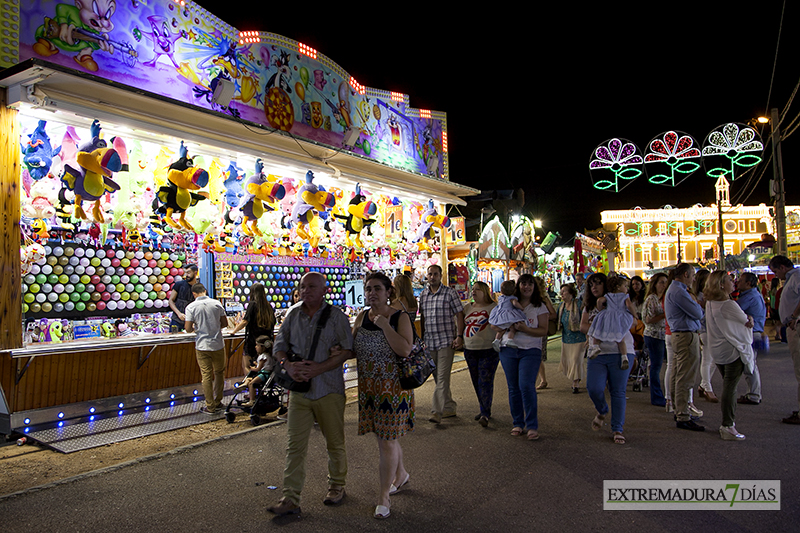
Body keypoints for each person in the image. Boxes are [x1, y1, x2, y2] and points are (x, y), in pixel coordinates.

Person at [267, 272, 354, 516]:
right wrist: (288, 366)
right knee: (294, 445)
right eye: (303, 286)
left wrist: (319, 368)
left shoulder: (336, 317)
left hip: (329, 389)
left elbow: (347, 350)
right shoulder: (293, 315)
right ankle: (290, 496)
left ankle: (337, 485)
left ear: (324, 290)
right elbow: (279, 347)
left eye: (312, 286)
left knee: (334, 442)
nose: (306, 290)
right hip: (299, 392)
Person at [351, 272, 415, 519]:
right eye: (368, 289)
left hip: (393, 391)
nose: (371, 293)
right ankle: (401, 475)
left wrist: (386, 326)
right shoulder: (361, 317)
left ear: (389, 292)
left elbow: (405, 349)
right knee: (384, 438)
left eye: (377, 288)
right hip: (369, 389)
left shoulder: (399, 317)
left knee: (386, 441)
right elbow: (353, 350)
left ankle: (383, 497)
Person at [580, 273, 633, 445]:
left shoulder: (619, 302)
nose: (594, 287)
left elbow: (631, 321)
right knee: (593, 388)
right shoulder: (590, 306)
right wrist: (599, 326)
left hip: (621, 351)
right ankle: (602, 410)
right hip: (598, 353)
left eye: (598, 283)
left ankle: (617, 428)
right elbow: (582, 326)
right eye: (591, 284)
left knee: (618, 391)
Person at [496, 274, 549, 441]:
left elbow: (543, 330)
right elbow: (496, 323)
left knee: (526, 385)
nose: (527, 287)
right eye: (523, 284)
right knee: (513, 388)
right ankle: (517, 422)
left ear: (535, 287)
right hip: (508, 350)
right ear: (518, 286)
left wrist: (526, 329)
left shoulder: (539, 306)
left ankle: (532, 424)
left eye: (530, 284)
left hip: (530, 350)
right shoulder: (508, 303)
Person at [704, 271, 755, 440]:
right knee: (730, 389)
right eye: (729, 280)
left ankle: (727, 424)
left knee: (728, 386)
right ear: (721, 285)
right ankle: (728, 425)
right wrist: (750, 319)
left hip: (718, 350)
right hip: (731, 350)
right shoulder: (728, 304)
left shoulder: (710, 303)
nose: (733, 282)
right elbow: (745, 321)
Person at [419, 264, 465, 424]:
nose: (432, 277)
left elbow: (460, 313)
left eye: (435, 274)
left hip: (446, 340)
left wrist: (459, 336)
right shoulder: (424, 295)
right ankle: (450, 406)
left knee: (443, 377)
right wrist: (422, 338)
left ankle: (436, 411)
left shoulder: (449, 293)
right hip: (430, 342)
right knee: (438, 378)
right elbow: (423, 316)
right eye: (430, 274)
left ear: (441, 275)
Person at [664, 263, 705, 431]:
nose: (694, 278)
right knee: (685, 376)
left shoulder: (675, 290)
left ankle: (679, 409)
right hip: (685, 335)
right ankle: (682, 414)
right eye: (693, 275)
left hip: (680, 334)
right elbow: (697, 313)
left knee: (677, 374)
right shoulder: (679, 291)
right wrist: (697, 305)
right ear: (686, 274)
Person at [184, 283, 228, 414]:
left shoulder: (190, 307)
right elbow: (224, 323)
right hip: (218, 344)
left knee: (206, 375)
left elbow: (187, 328)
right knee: (219, 373)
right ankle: (218, 401)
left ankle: (210, 406)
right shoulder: (216, 304)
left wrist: (197, 328)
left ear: (194, 294)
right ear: (205, 291)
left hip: (202, 345)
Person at [768, 255, 800, 424]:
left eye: (775, 271)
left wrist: (794, 316)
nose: (775, 275)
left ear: (782, 267)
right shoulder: (791, 279)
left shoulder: (796, 277)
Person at [463, 281, 499, 426]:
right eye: (473, 289)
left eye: (477, 289)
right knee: (476, 380)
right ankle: (483, 407)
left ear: (485, 291)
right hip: (469, 349)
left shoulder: (493, 307)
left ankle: (485, 412)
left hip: (488, 349)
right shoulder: (467, 308)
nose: (474, 292)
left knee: (485, 380)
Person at [586, 275, 636, 370]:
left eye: (598, 283)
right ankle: (624, 356)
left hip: (608, 315)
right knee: (620, 339)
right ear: (618, 287)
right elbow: (629, 305)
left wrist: (601, 309)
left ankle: (596, 346)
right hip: (621, 316)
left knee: (598, 332)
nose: (627, 289)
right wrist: (634, 315)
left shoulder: (608, 296)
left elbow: (600, 300)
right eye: (625, 286)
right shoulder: (624, 296)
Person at [230, 283, 277, 377]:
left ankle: (250, 385)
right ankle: (258, 385)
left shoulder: (252, 305)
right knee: (262, 367)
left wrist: (233, 331)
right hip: (266, 342)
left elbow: (244, 321)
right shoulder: (269, 307)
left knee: (247, 366)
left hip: (253, 342)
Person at [736, 272, 766, 406]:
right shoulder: (754, 295)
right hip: (755, 332)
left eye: (741, 281)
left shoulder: (749, 297)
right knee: (750, 363)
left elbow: (736, 311)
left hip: (751, 334)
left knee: (750, 364)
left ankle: (754, 394)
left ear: (748, 284)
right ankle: (753, 393)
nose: (737, 282)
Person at [642, 273, 668, 407]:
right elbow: (648, 320)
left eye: (665, 282)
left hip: (665, 334)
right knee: (656, 366)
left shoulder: (665, 298)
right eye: (661, 282)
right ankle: (656, 396)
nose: (664, 285)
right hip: (654, 335)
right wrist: (665, 315)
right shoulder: (651, 299)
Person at [694, 269, 719, 403]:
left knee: (713, 358)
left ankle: (704, 384)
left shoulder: (708, 294)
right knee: (707, 358)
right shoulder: (699, 296)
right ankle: (707, 387)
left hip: (711, 328)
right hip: (704, 329)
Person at [557, 283, 586, 394]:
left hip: (579, 337)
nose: (562, 294)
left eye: (564, 291)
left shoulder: (579, 304)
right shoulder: (561, 306)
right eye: (561, 292)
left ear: (571, 293)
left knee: (576, 359)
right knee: (569, 360)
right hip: (566, 338)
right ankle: (575, 379)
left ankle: (575, 383)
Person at [488, 280, 528, 351]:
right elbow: (515, 304)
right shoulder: (512, 298)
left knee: (501, 329)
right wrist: (521, 307)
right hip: (508, 314)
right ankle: (510, 339)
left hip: (499, 314)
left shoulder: (500, 297)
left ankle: (497, 340)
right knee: (512, 327)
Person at [238, 335, 275, 408]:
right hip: (267, 374)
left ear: (263, 347)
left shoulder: (263, 357)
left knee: (252, 383)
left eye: (257, 345)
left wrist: (252, 368)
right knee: (248, 379)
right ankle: (244, 385)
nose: (255, 347)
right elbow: (265, 364)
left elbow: (258, 369)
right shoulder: (269, 355)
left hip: (263, 374)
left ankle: (252, 400)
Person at [534, 276, 557, 390]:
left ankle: (534, 383)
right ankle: (543, 380)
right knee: (536, 358)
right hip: (531, 330)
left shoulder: (544, 299)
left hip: (540, 330)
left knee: (536, 357)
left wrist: (542, 317)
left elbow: (553, 314)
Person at [169, 264, 199, 332]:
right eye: (185, 272)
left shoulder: (199, 288)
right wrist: (179, 313)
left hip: (192, 322)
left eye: (188, 272)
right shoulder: (179, 285)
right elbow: (171, 301)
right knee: (173, 339)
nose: (186, 275)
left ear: (195, 273)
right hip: (176, 321)